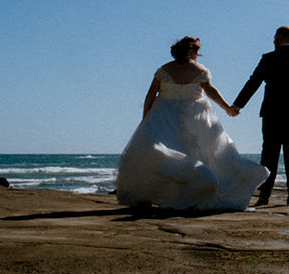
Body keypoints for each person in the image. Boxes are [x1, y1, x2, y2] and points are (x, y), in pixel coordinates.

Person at [114, 36, 268, 212]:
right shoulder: (199, 70)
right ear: (193, 51)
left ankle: (167, 193)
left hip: (163, 114)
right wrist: (227, 108)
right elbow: (211, 91)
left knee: (159, 150)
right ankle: (195, 191)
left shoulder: (163, 70)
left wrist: (146, 118)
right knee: (202, 151)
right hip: (195, 115)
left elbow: (150, 95)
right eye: (197, 51)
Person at [232, 26, 289, 206]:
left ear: (279, 38)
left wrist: (238, 105)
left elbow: (253, 82)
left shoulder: (269, 58)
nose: (273, 41)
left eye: (274, 38)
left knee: (268, 155)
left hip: (271, 114)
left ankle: (264, 197)